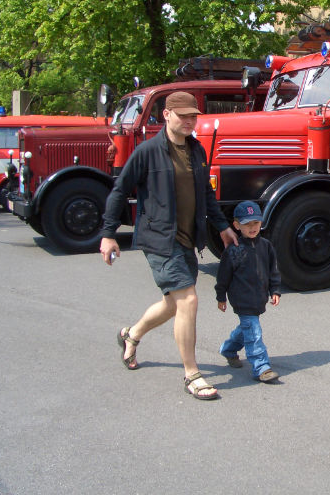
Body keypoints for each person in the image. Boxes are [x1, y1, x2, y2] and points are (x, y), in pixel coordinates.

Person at [99, 91, 238, 401]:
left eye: (193, 116)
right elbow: (120, 191)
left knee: (174, 303)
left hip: (187, 238)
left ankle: (131, 335)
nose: (189, 121)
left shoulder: (196, 151)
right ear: (166, 115)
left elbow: (206, 195)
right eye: (183, 116)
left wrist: (223, 227)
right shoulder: (148, 152)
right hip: (159, 238)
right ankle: (192, 374)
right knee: (188, 299)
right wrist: (109, 234)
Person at [216, 200, 282, 383]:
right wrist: (220, 296)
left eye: (256, 223)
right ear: (236, 225)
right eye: (247, 224)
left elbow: (273, 270)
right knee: (254, 332)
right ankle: (261, 367)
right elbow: (223, 276)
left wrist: (274, 290)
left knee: (246, 329)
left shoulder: (266, 246)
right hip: (242, 299)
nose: (252, 227)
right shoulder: (234, 249)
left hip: (258, 298)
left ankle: (229, 349)